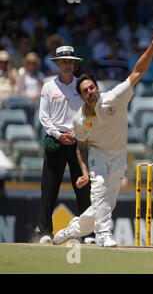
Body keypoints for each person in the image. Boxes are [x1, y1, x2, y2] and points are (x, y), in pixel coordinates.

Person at [52, 23, 153, 247]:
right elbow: (81, 148)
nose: (90, 92)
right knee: (99, 187)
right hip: (98, 155)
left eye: (92, 88)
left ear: (97, 88)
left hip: (119, 154)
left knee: (106, 203)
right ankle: (103, 235)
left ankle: (72, 230)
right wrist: (85, 172)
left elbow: (138, 71)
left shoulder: (114, 98)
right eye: (85, 91)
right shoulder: (79, 120)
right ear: (82, 96)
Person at [34, 46, 92, 244]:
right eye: (63, 61)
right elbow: (44, 117)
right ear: (57, 64)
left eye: (70, 61)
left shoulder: (82, 85)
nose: (67, 64)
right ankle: (44, 232)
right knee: (49, 188)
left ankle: (88, 234)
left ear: (74, 63)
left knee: (84, 188)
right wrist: (59, 135)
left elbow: (89, 112)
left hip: (78, 141)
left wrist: (77, 133)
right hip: (57, 140)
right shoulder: (49, 87)